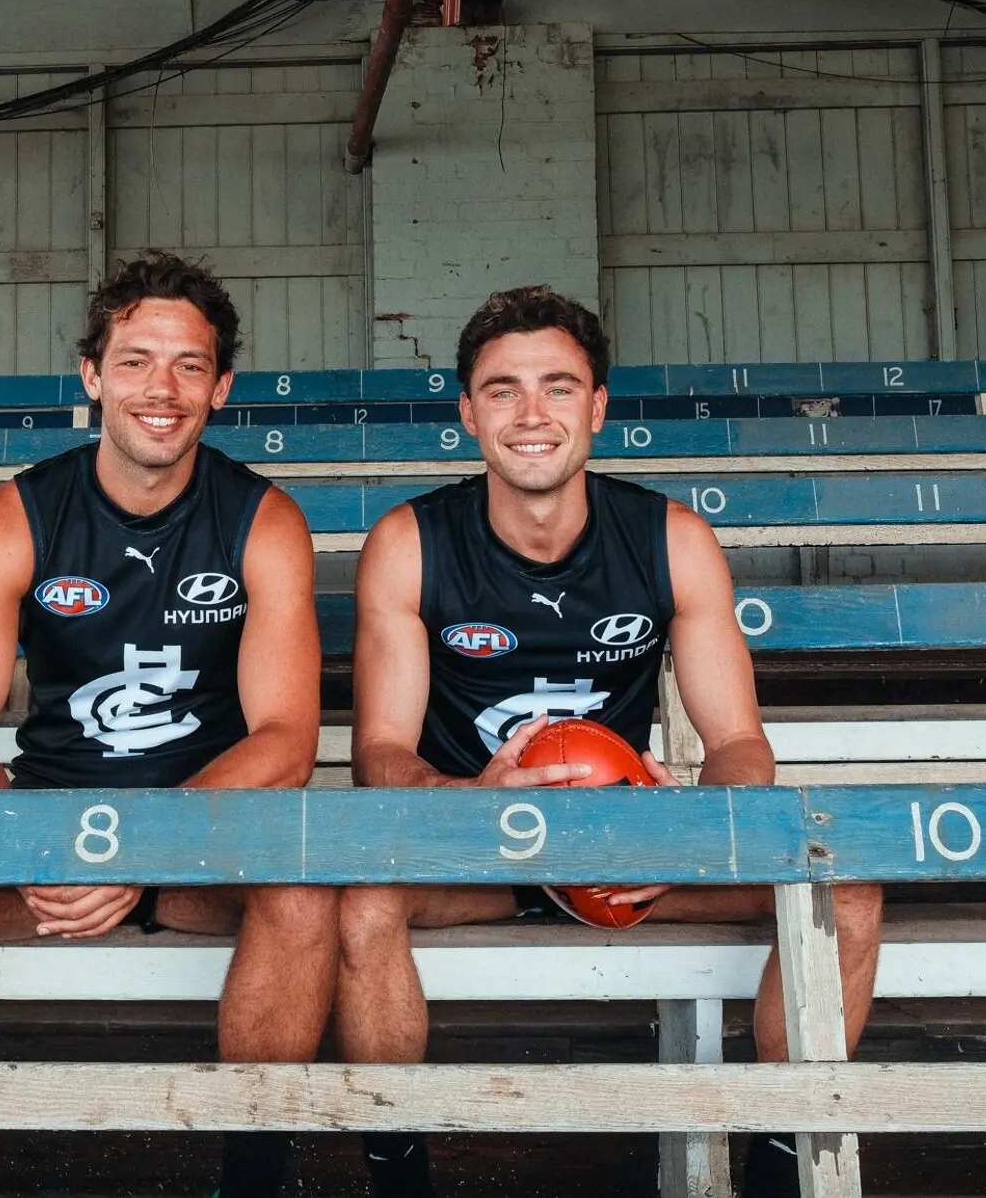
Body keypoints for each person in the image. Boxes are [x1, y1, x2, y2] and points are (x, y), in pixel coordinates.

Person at [336, 286, 884, 1198]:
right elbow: (381, 757)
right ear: (467, 412)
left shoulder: (670, 538)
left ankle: (782, 1169)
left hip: (625, 846)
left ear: (597, 405)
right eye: (502, 390)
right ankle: (400, 1176)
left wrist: (688, 837)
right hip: (475, 848)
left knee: (849, 896)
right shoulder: (411, 542)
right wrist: (469, 802)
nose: (532, 414)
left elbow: (740, 742)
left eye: (558, 386)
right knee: (359, 903)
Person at [0, 251, 336, 1198]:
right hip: (47, 841)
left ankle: (254, 1178)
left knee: (307, 896)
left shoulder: (264, 521)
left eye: (190, 364)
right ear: (93, 376)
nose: (163, 387)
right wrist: (41, 855)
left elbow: (285, 739)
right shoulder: (14, 517)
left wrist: (142, 848)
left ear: (222, 387)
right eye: (137, 359)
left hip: (202, 844)